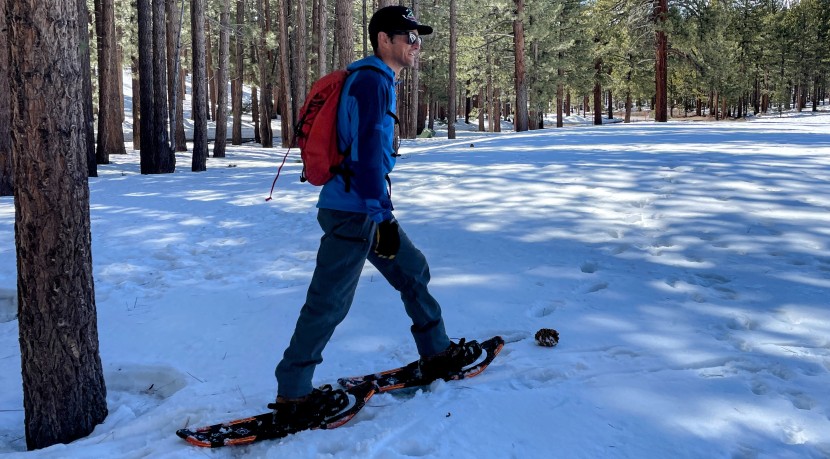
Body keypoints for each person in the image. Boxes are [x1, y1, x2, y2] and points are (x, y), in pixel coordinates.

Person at [271, 6, 482, 425]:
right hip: (354, 212)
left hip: (363, 207)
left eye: (418, 37)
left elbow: (371, 152)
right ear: (384, 40)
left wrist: (379, 213)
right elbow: (367, 151)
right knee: (328, 302)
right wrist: (380, 216)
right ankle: (294, 395)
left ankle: (437, 351)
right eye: (409, 37)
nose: (416, 45)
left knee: (413, 270)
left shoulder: (376, 79)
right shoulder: (371, 82)